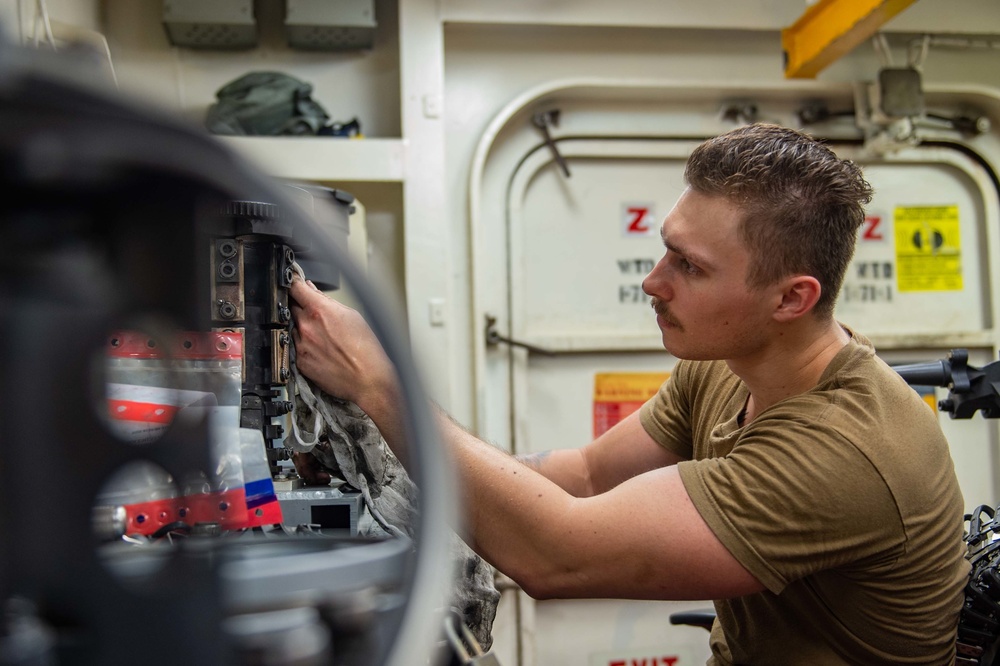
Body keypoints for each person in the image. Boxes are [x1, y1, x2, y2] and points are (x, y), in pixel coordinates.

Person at [289, 123, 969, 665]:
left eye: (690, 267)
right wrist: (387, 474)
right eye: (666, 249)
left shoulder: (844, 454)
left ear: (792, 298)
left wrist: (379, 383)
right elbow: (583, 477)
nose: (653, 281)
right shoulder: (728, 365)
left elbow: (559, 554)